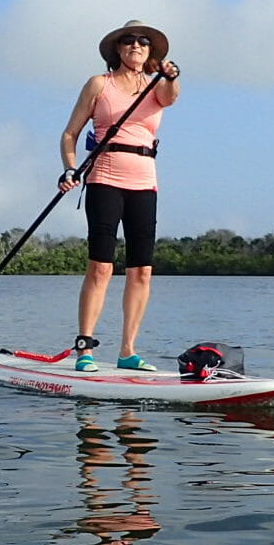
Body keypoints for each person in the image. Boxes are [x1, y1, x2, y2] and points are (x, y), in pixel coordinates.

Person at [58, 20, 180, 372]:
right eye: (128, 41)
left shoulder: (159, 86)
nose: (136, 46)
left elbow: (171, 97)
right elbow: (70, 134)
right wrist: (69, 168)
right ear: (117, 49)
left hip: (144, 181)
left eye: (143, 42)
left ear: (151, 51)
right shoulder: (100, 84)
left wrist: (170, 75)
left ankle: (127, 350)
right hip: (105, 177)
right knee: (101, 267)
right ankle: (86, 347)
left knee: (141, 271)